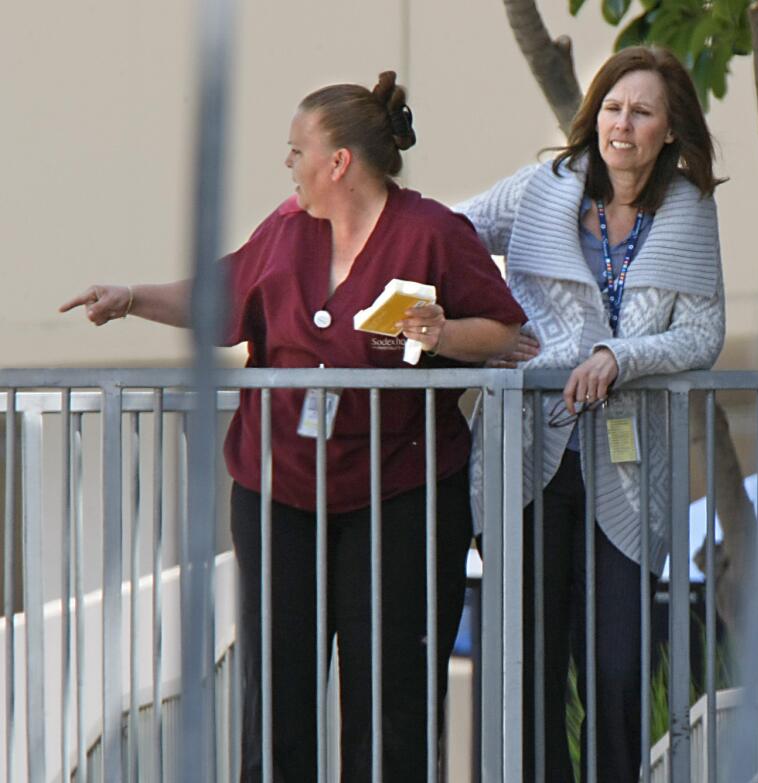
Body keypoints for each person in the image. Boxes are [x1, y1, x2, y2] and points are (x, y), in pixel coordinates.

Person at [60, 72, 527, 782]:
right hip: (278, 487)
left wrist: (444, 331)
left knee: (391, 696)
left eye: (296, 151)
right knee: (276, 693)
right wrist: (131, 299)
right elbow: (221, 294)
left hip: (397, 492)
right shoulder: (285, 230)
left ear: (338, 161)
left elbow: (501, 333)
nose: (289, 165)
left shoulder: (432, 233)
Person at [456, 46, 725, 783]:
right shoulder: (544, 189)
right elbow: (451, 236)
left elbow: (702, 336)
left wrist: (617, 356)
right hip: (525, 457)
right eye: (612, 107)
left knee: (618, 666)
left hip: (630, 470)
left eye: (641, 112)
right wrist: (490, 325)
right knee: (526, 666)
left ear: (670, 131)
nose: (622, 124)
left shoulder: (689, 208)